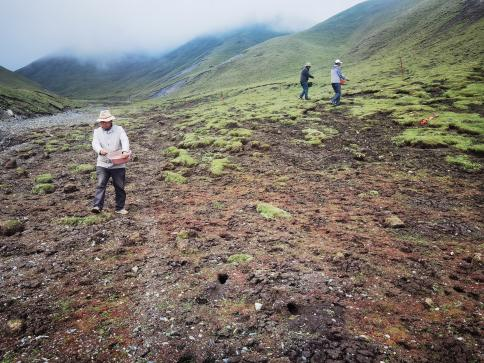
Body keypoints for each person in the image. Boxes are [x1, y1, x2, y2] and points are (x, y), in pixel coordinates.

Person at [91, 110, 130, 215]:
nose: (103, 124)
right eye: (102, 122)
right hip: (102, 163)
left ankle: (120, 208)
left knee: (119, 186)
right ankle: (97, 206)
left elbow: (124, 140)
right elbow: (95, 143)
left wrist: (125, 150)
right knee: (100, 184)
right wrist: (99, 150)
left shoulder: (119, 129)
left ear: (111, 121)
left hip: (118, 163)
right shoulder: (97, 131)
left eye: (105, 122)